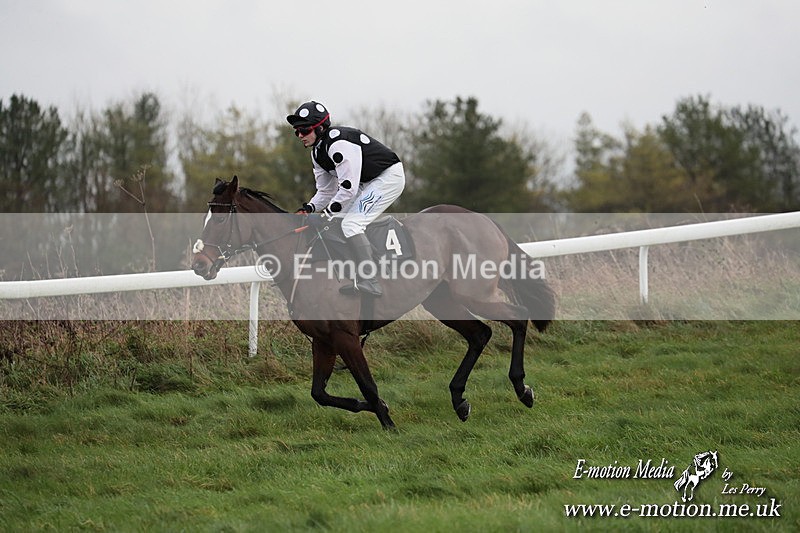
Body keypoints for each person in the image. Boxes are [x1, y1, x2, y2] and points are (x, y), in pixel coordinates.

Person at [287, 101, 405, 297]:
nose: (300, 135)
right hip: (366, 183)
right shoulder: (317, 153)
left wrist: (325, 214)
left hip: (388, 177)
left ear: (320, 128)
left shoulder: (338, 144)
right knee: (336, 222)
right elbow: (326, 191)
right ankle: (356, 273)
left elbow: (348, 189)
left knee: (351, 224)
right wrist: (308, 209)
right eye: (297, 131)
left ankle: (370, 279)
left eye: (304, 130)